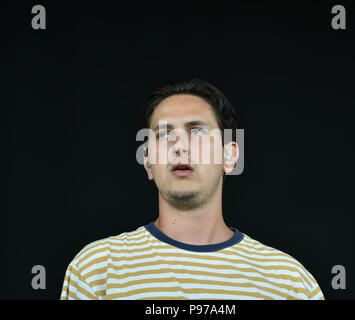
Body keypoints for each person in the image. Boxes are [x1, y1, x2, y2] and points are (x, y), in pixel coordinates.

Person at [60, 79, 324, 300]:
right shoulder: (96, 270)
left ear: (229, 157)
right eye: (163, 134)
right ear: (148, 163)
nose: (179, 146)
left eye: (197, 132)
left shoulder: (290, 283)